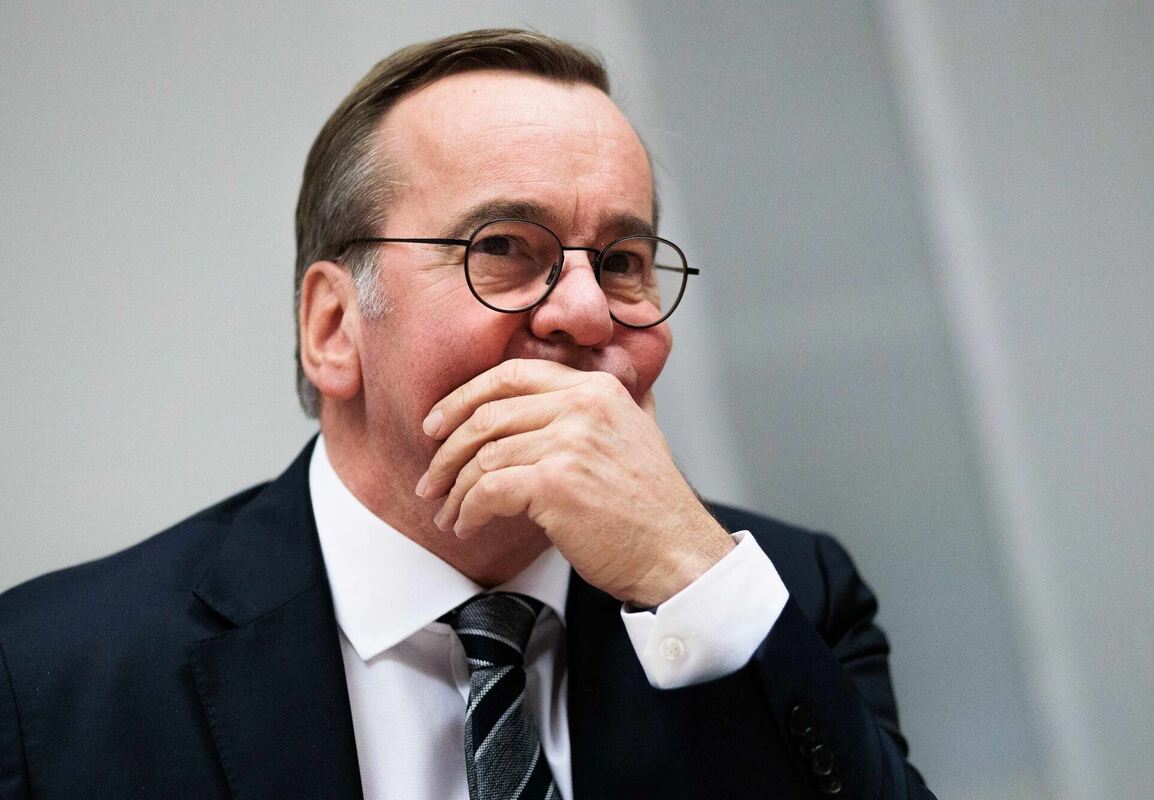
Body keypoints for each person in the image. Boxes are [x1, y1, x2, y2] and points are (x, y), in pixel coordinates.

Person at [0, 29, 935, 800]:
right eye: (503, 248)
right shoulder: (49, 676)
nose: (585, 312)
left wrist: (690, 579)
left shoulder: (779, 598)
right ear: (333, 328)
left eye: (621, 263)